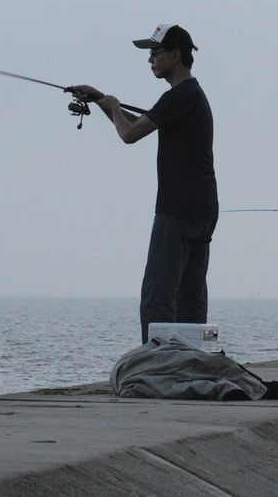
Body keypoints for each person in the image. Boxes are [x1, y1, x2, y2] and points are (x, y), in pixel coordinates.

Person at [70, 23, 218, 344]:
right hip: (203, 208)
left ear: (176, 55)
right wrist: (100, 99)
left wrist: (109, 104)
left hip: (176, 209)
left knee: (158, 293)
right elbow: (135, 124)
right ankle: (192, 360)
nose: (149, 59)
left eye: (155, 52)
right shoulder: (191, 95)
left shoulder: (178, 95)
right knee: (190, 295)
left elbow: (128, 134)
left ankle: (156, 364)